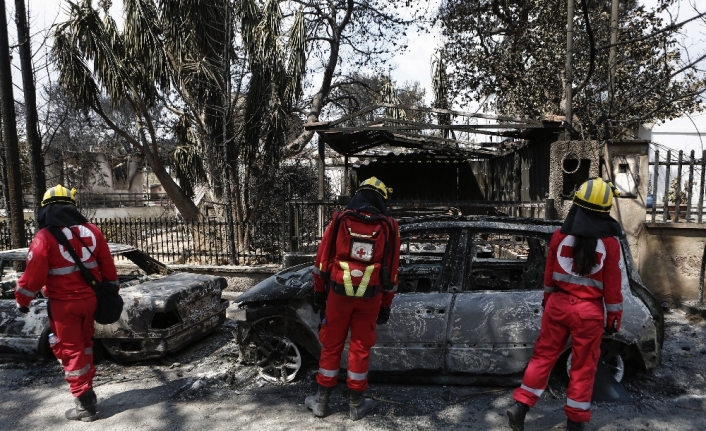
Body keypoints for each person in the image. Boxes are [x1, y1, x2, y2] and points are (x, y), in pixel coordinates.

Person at [507, 177, 624, 431]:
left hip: (558, 306)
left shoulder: (559, 235)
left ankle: (521, 406)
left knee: (542, 358)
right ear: (605, 211)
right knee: (583, 365)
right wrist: (614, 314)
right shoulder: (611, 244)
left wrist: (549, 301)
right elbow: (613, 285)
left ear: (577, 205)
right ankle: (575, 423)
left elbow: (548, 275)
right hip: (588, 312)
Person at [15, 185, 119, 422]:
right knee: (86, 345)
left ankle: (84, 405)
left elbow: (33, 277)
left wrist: (22, 300)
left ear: (46, 209)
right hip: (91, 301)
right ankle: (89, 391)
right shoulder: (92, 231)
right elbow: (108, 267)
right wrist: (112, 292)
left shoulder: (44, 237)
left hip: (64, 306)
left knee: (70, 350)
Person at [305, 177, 401, 420]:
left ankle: (321, 402)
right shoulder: (389, 226)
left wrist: (318, 291)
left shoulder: (340, 219)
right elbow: (392, 270)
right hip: (370, 298)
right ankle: (356, 406)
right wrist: (386, 305)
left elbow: (321, 260)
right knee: (360, 347)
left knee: (332, 344)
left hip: (338, 295)